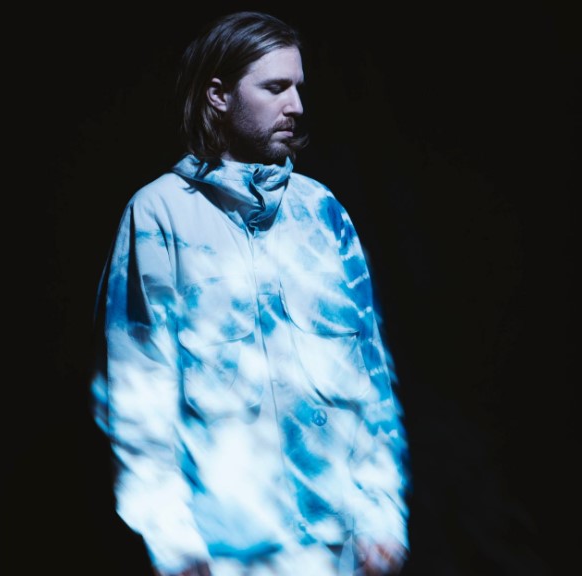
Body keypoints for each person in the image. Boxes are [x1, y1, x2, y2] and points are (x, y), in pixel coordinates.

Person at [90, 11, 410, 576]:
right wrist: (172, 538)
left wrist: (382, 513)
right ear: (218, 95)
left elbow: (372, 378)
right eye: (275, 87)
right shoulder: (160, 215)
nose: (297, 105)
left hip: (336, 553)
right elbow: (137, 392)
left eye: (299, 87)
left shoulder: (323, 213)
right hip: (225, 557)